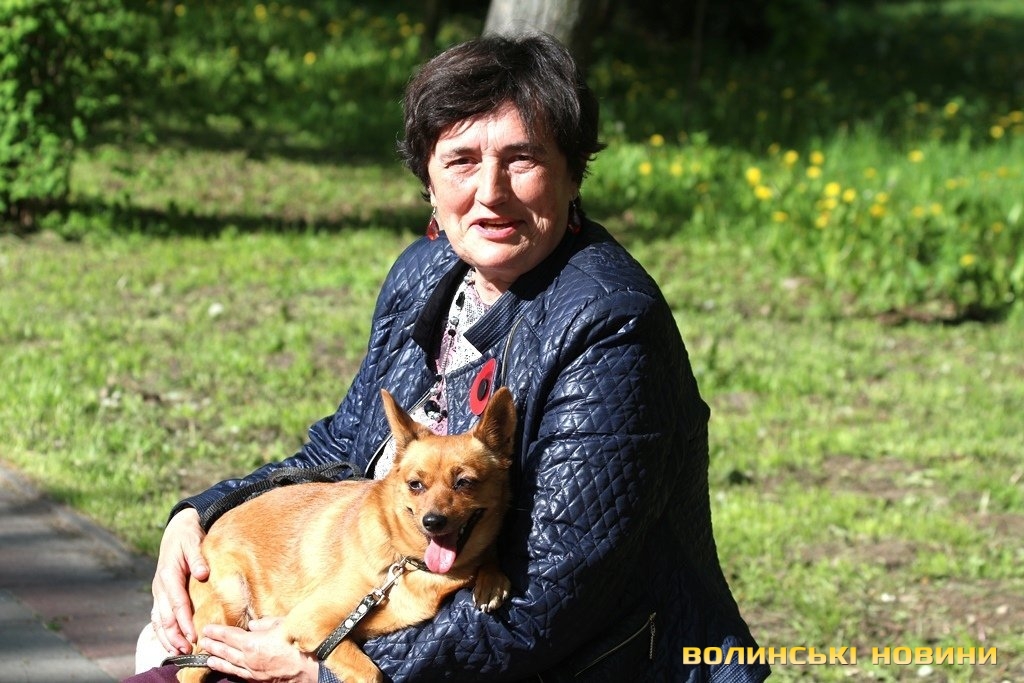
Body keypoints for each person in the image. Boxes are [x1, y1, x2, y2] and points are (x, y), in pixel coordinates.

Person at [129, 33, 769, 683]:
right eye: (461, 160)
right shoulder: (426, 273)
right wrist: (200, 512)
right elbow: (345, 447)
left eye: (522, 158)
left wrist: (324, 666)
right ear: (428, 179)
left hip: (575, 664)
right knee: (161, 649)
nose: (491, 191)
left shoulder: (611, 327)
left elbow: (549, 600)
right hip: (378, 616)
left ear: (573, 173)